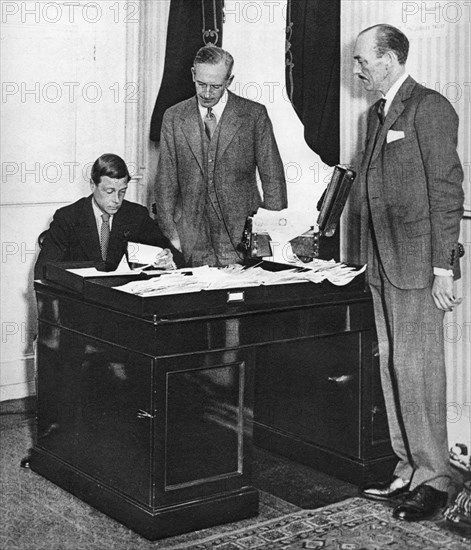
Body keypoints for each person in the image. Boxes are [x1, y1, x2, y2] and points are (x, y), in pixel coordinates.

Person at [353, 24, 464, 521]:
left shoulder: (430, 107)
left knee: (419, 371)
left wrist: (445, 268)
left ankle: (436, 479)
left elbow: (446, 192)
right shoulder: (376, 114)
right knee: (392, 366)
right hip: (381, 260)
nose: (356, 69)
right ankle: (408, 468)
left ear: (390, 59)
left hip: (419, 265)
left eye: (362, 60)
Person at [155, 44, 287, 267]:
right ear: (193, 74)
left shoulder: (253, 116)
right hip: (191, 241)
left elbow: (273, 179)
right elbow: (165, 182)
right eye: (201, 84)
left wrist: (268, 236)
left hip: (242, 241)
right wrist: (172, 235)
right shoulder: (174, 117)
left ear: (229, 80)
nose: (206, 93)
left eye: (215, 87)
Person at [34, 153, 182, 279]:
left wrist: (168, 258)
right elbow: (43, 271)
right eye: (109, 191)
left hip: (124, 303)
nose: (117, 200)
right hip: (82, 303)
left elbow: (171, 254)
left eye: (122, 191)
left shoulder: (136, 215)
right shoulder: (68, 218)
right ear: (93, 185)